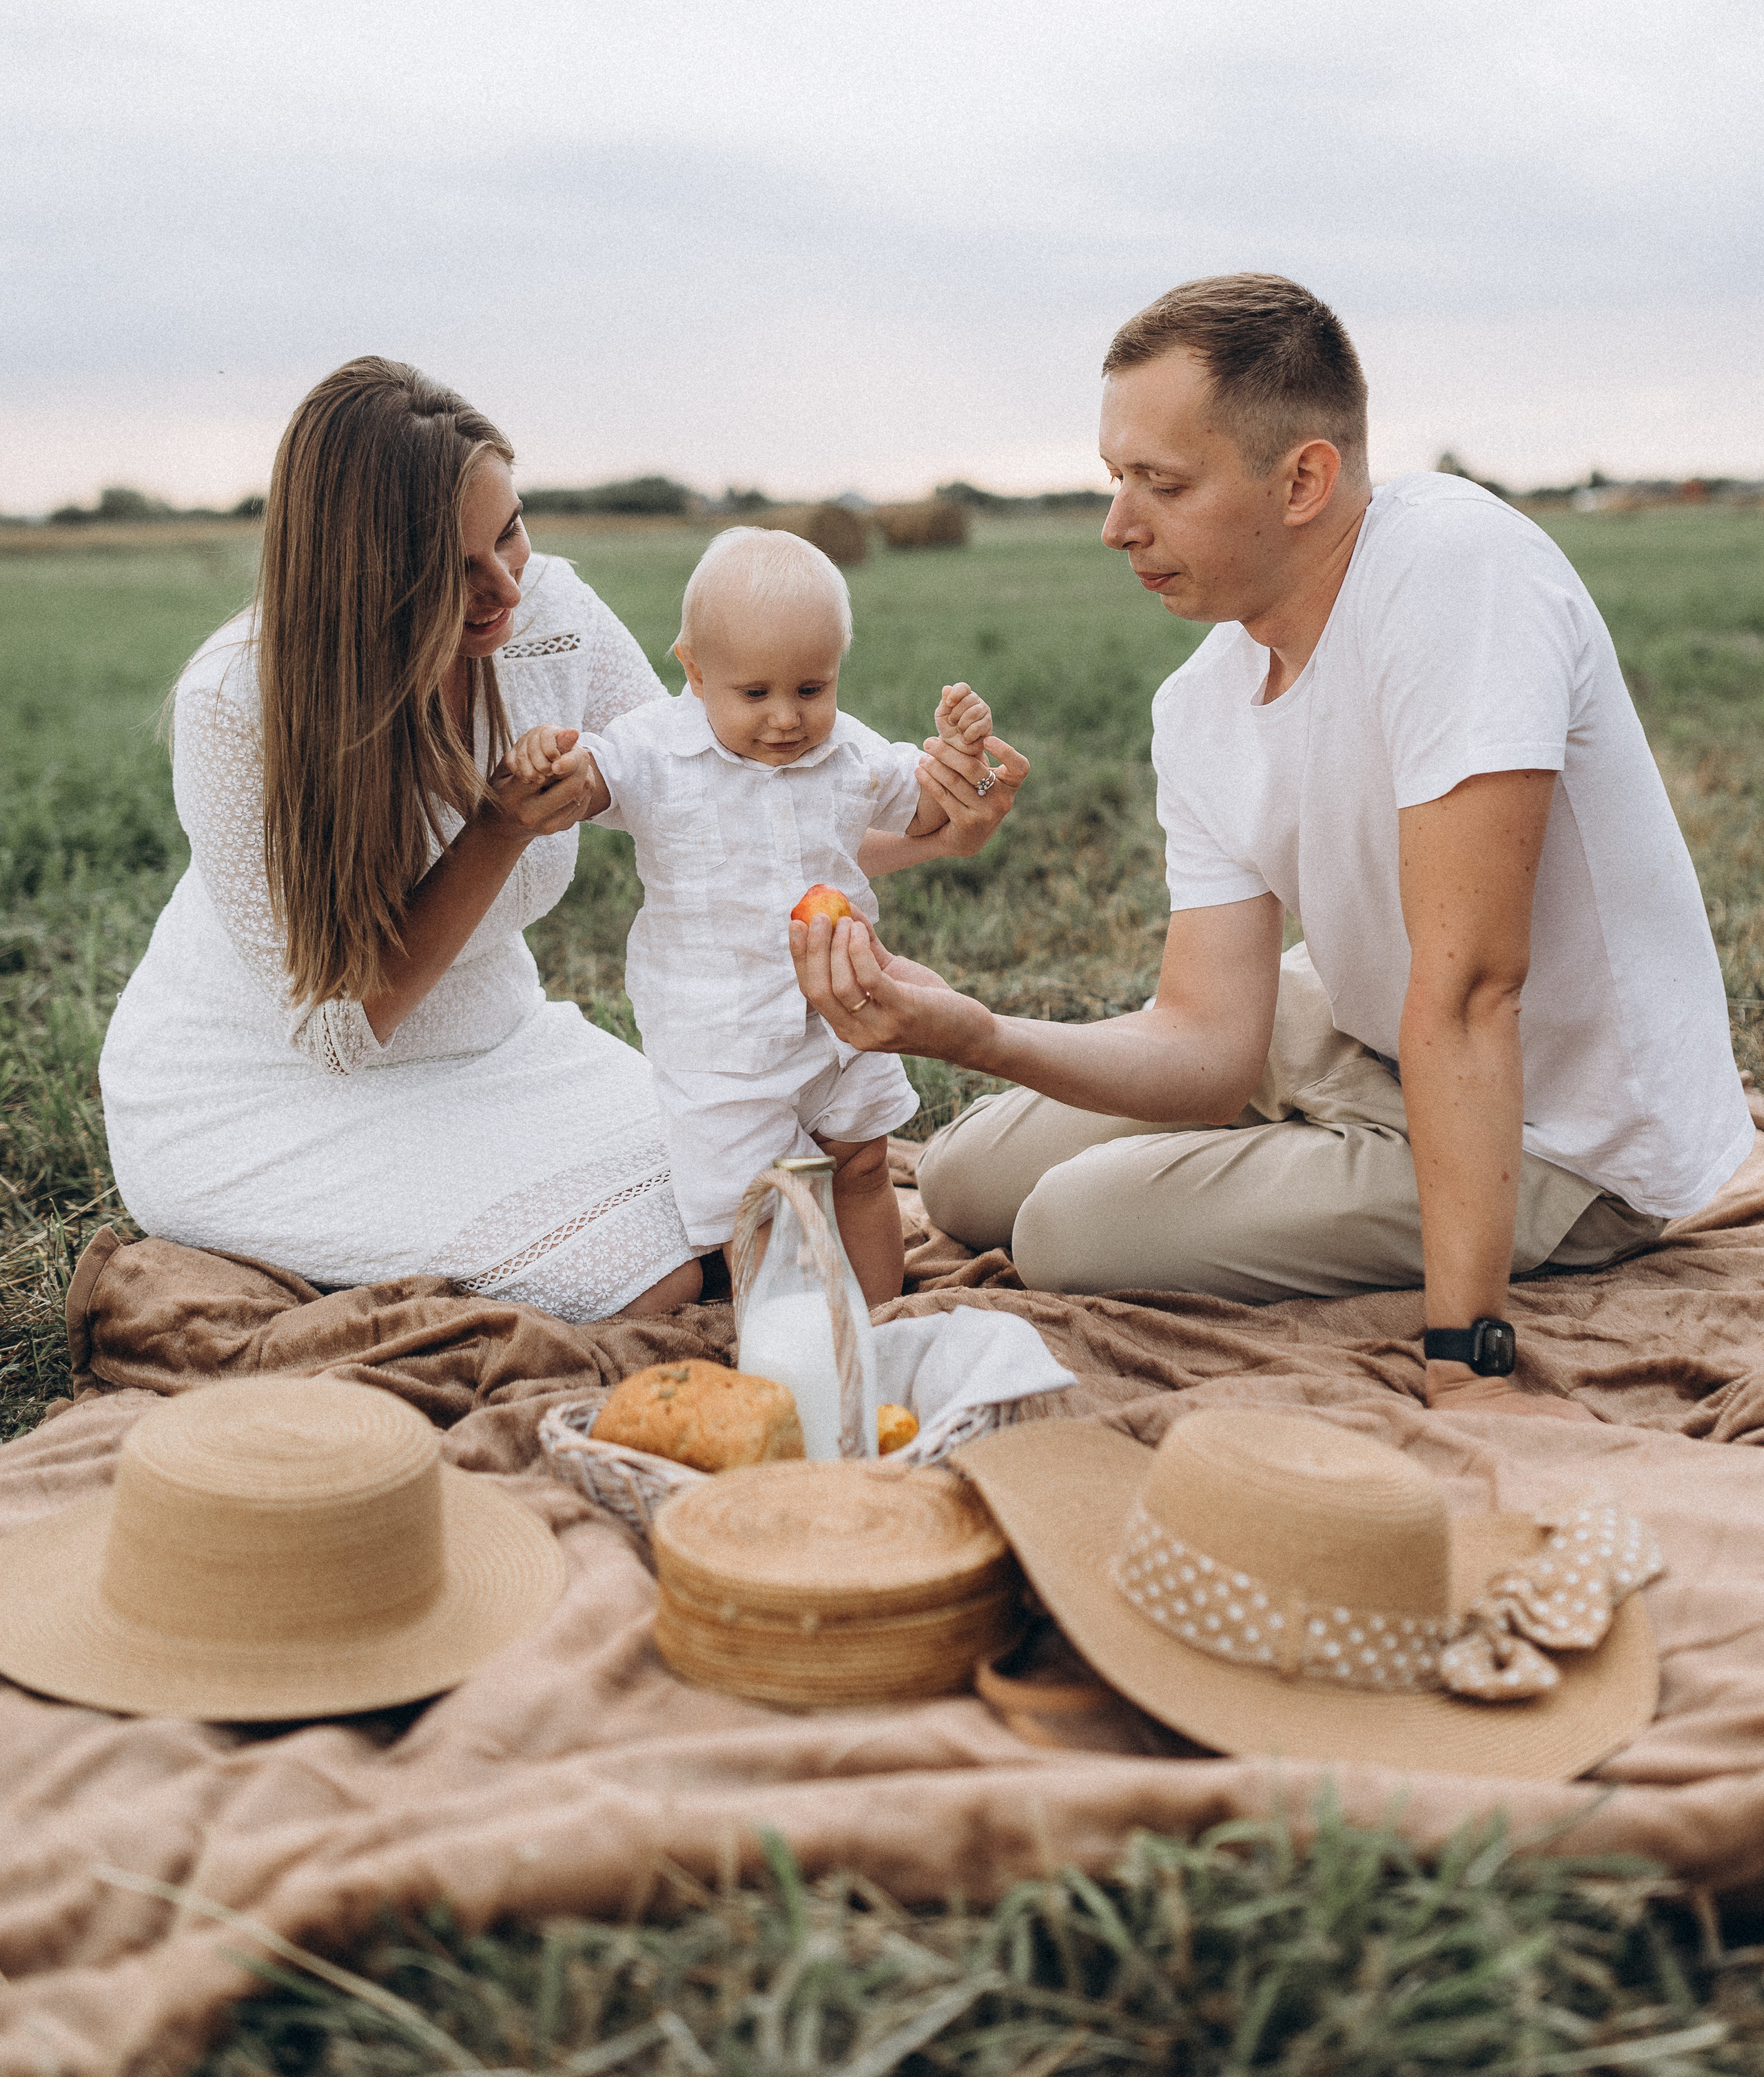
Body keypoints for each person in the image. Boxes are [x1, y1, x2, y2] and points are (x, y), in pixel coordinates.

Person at [790, 274, 1755, 1418]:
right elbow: (1207, 1043)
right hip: (1357, 1024)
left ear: (1304, 479)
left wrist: (1472, 1358)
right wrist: (978, 1033)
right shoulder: (1200, 704)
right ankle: (1306, 1134)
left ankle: (1347, 1166)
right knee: (959, 1181)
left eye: (1163, 484)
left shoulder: (1455, 575)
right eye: (1115, 480)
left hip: (1568, 1131)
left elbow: (1474, 993)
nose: (1117, 527)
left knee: (1062, 1229)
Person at [98, 359, 1021, 1320]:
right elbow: (340, 1031)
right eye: (454, 568)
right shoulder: (237, 706)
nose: (505, 587)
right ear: (360, 576)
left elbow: (723, 812)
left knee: (765, 1189)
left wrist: (937, 828)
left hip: (504, 1045)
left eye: (511, 533)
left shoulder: (554, 614)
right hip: (267, 1094)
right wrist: (496, 829)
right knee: (651, 1271)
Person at [501, 525, 1022, 1302]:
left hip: (846, 1015)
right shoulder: (657, 749)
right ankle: (797, 1352)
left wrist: (965, 766)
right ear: (695, 670)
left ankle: (876, 1328)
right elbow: (595, 777)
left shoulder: (850, 753)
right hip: (722, 1042)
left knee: (864, 1165)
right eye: (755, 694)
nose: (786, 718)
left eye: (811, 689)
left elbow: (927, 815)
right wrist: (555, 761)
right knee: (767, 1208)